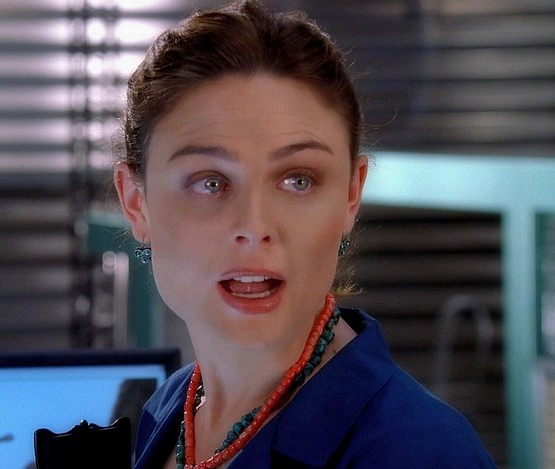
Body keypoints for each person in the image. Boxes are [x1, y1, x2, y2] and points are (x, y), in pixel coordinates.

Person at [111, 1, 498, 468]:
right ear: (136, 202)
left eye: (298, 180)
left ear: (351, 196)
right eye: (210, 182)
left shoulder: (420, 452)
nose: (255, 227)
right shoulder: (169, 411)